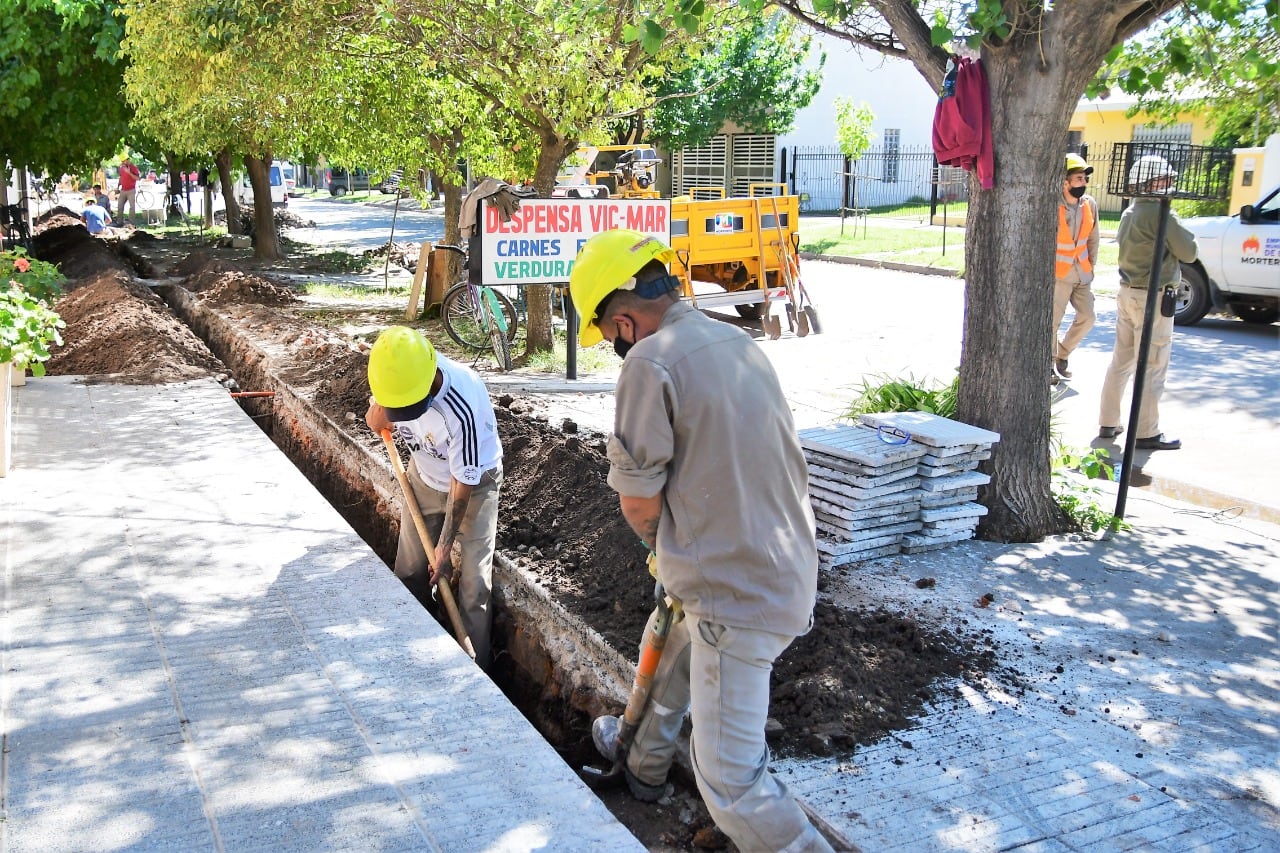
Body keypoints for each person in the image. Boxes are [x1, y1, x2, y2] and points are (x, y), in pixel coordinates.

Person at [570, 229, 833, 853]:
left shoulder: (650, 360)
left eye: (608, 336)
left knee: (731, 781)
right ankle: (640, 767)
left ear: (626, 319)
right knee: (669, 658)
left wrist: (659, 551)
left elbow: (637, 499)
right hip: (776, 562)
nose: (613, 349)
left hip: (733, 594)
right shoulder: (732, 339)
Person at [364, 326, 503, 667]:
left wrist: (443, 548)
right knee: (409, 569)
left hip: (474, 485)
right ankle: (407, 651)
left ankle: (476, 671)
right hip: (424, 476)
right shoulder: (395, 374)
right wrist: (377, 417)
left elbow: (462, 485)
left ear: (428, 384)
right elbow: (376, 418)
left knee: (474, 585)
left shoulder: (463, 407)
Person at [1098, 155, 1198, 451]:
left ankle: (1108, 420)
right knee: (1153, 364)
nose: (1169, 185)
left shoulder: (1131, 211)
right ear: (1151, 183)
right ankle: (1146, 431)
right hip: (1153, 297)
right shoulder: (1161, 213)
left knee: (1122, 360)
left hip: (1128, 292)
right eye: (1165, 180)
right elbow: (1188, 251)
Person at [1051, 153, 1100, 385]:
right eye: (1079, 178)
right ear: (1065, 182)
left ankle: (1063, 354)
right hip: (1059, 274)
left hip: (1082, 273)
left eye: (1084, 179)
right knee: (1052, 322)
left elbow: (1094, 239)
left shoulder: (1089, 204)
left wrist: (1092, 268)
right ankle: (1048, 365)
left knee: (1088, 317)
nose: (1084, 183)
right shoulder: (1054, 206)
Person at [117, 156, 142, 224]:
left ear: (128, 160)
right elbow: (121, 177)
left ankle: (131, 223)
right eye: (122, 162)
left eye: (124, 161)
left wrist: (129, 173)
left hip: (131, 190)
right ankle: (119, 222)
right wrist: (118, 186)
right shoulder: (122, 168)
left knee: (132, 207)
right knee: (120, 206)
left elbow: (137, 178)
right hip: (123, 190)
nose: (123, 163)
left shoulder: (133, 168)